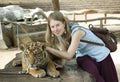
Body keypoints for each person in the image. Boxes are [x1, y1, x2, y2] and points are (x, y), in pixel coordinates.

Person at [45, 11, 118, 82]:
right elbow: (65, 51)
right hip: (86, 55)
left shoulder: (77, 32)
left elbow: (69, 55)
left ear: (64, 23)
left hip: (101, 56)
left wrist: (48, 49)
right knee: (93, 73)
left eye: (57, 25)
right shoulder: (61, 33)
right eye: (52, 27)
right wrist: (62, 64)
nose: (55, 29)